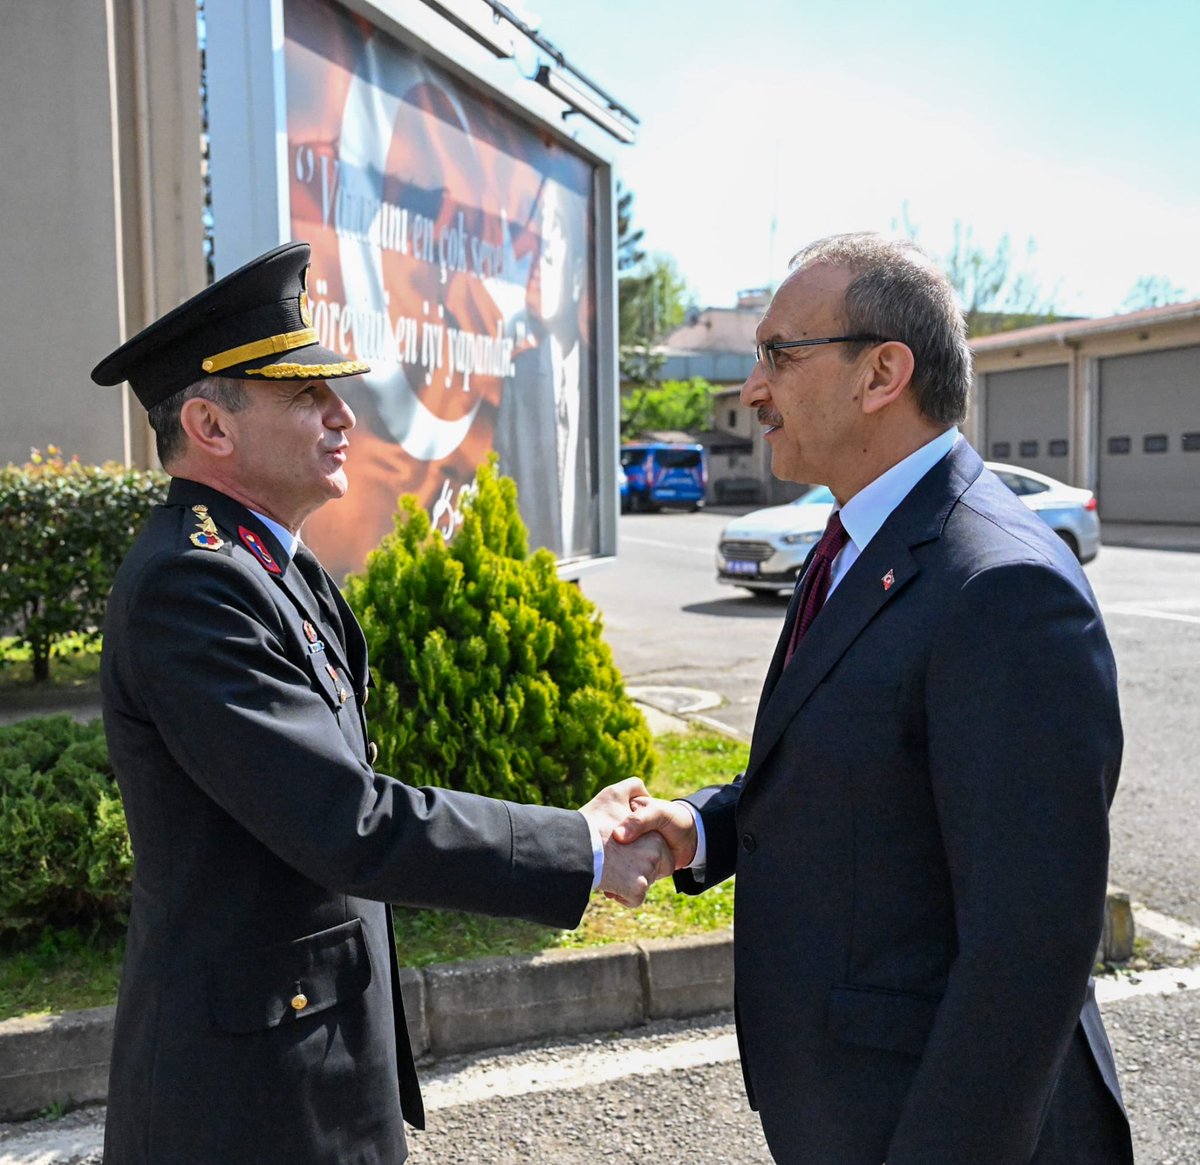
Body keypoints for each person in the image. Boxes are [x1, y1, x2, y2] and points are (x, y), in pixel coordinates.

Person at [89, 241, 668, 1165]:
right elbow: (345, 818)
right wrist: (582, 845)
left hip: (300, 1057)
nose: (342, 414)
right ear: (210, 423)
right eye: (305, 395)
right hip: (243, 1103)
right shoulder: (191, 586)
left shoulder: (268, 562)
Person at [617, 233, 1133, 1163]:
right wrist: (706, 827)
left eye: (780, 353)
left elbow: (1028, 954)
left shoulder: (1004, 589)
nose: (753, 390)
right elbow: (859, 778)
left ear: (882, 373)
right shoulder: (856, 535)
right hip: (850, 1107)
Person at [492, 177, 595, 560]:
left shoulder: (595, 384)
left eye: (554, 229)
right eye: (538, 232)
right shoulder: (519, 382)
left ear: (578, 275)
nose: (538, 254)